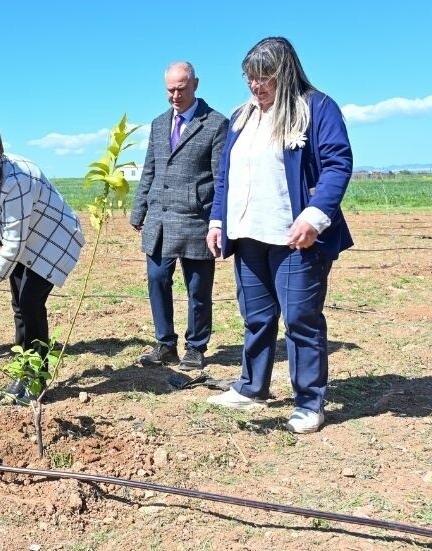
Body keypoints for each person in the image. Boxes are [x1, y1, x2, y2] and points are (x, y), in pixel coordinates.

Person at [205, 37, 353, 434]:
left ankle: (309, 401)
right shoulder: (242, 116)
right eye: (250, 78)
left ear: (285, 73)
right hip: (248, 233)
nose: (256, 86)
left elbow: (338, 163)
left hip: (294, 236)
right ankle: (252, 387)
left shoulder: (316, 108)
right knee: (256, 316)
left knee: (301, 318)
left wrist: (315, 215)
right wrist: (218, 221)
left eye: (264, 78)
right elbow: (227, 176)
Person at [0, 121, 86, 403]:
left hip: (51, 241)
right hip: (26, 237)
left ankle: (36, 378)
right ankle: (23, 371)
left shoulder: (16, 181)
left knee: (31, 304)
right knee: (19, 305)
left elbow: (13, 245)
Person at [130, 61, 228, 371]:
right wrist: (139, 208)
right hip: (160, 219)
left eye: (181, 89)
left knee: (198, 289)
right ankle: (165, 344)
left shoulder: (215, 124)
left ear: (196, 84)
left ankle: (196, 347)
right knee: (157, 280)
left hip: (196, 221)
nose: (175, 95)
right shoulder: (159, 124)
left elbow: (221, 178)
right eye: (170, 90)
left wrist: (218, 220)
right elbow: (150, 168)